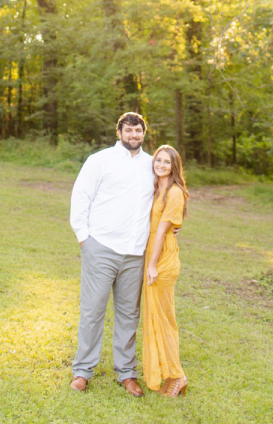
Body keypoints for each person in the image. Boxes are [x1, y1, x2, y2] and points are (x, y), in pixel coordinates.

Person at [69, 112, 154, 397]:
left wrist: (173, 227)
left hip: (135, 253)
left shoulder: (151, 165)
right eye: (128, 130)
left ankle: (127, 373)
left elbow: (164, 200)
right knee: (93, 311)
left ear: (144, 133)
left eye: (138, 130)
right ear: (119, 133)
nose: (134, 135)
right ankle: (82, 371)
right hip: (101, 248)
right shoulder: (100, 160)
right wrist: (85, 240)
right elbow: (81, 196)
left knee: (129, 314)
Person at [142, 144, 188, 398]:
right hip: (152, 254)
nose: (160, 165)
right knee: (154, 316)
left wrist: (151, 265)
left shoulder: (175, 192)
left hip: (162, 260)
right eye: (158, 160)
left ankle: (177, 375)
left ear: (174, 167)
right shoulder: (156, 187)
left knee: (164, 318)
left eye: (166, 162)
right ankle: (165, 370)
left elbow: (162, 230)